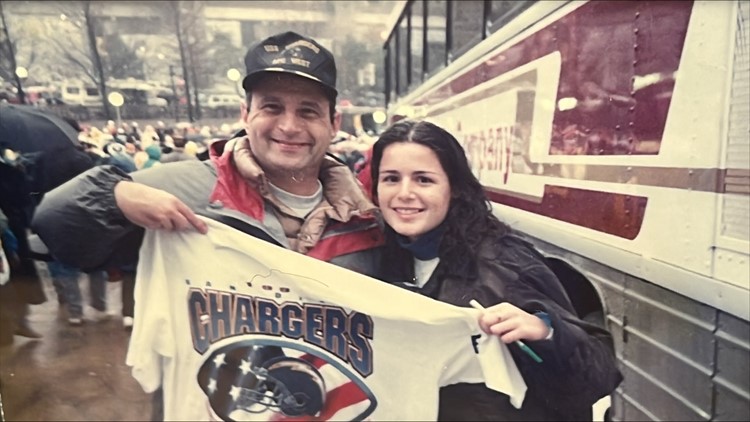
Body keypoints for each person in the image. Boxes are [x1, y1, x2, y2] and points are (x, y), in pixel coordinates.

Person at [31, 31, 383, 418]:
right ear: (245, 115)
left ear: (333, 123)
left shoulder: (367, 219)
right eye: (272, 107)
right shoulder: (185, 187)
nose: (289, 126)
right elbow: (54, 225)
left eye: (308, 111)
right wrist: (114, 197)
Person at [368, 120, 622, 421]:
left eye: (424, 180)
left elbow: (599, 374)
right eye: (391, 179)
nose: (404, 193)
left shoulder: (505, 263)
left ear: (455, 188)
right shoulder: (383, 254)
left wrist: (547, 332)